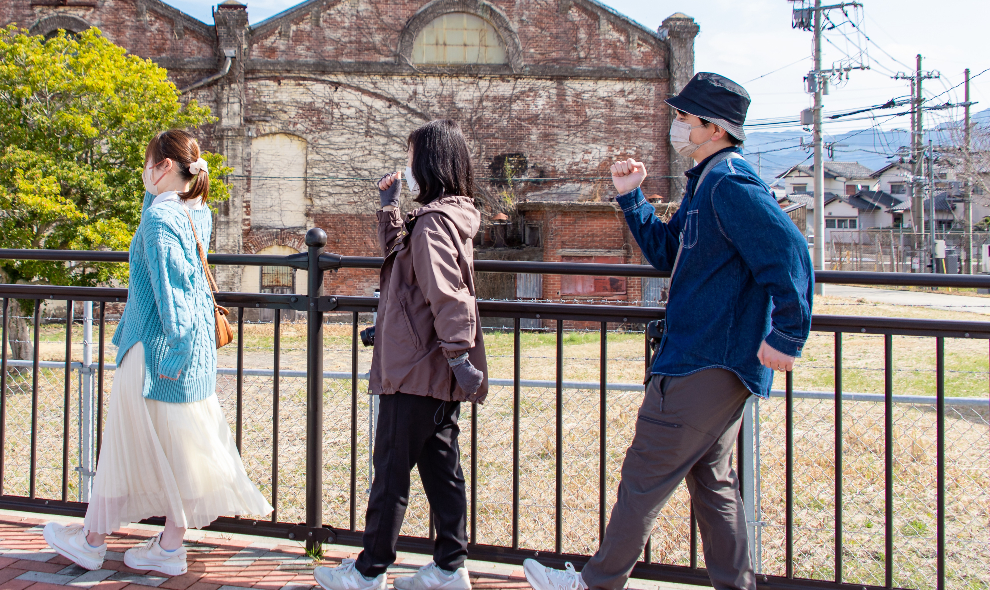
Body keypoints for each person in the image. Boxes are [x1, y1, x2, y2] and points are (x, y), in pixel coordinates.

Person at [523, 72, 813, 590]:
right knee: (713, 482)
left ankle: (595, 583)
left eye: (683, 117)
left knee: (644, 475)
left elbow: (790, 251)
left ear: (713, 128)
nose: (675, 125)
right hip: (712, 357)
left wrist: (788, 335)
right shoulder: (708, 182)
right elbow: (668, 253)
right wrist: (631, 197)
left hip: (703, 359)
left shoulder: (731, 184)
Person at [44, 130, 270, 574]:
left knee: (123, 447)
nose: (142, 172)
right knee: (185, 449)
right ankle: (168, 546)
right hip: (191, 354)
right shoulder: (193, 212)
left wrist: (174, 354)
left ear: (165, 167)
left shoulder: (161, 222)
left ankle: (92, 540)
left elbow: (173, 295)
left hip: (156, 353)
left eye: (148, 164)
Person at [314, 119, 489, 590]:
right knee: (441, 468)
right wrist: (388, 210)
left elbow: (448, 294)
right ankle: (451, 567)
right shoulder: (445, 218)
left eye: (412, 158)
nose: (407, 167)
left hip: (415, 368)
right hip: (430, 369)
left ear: (429, 163)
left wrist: (458, 355)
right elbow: (406, 261)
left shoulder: (433, 223)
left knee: (390, 470)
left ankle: (370, 570)